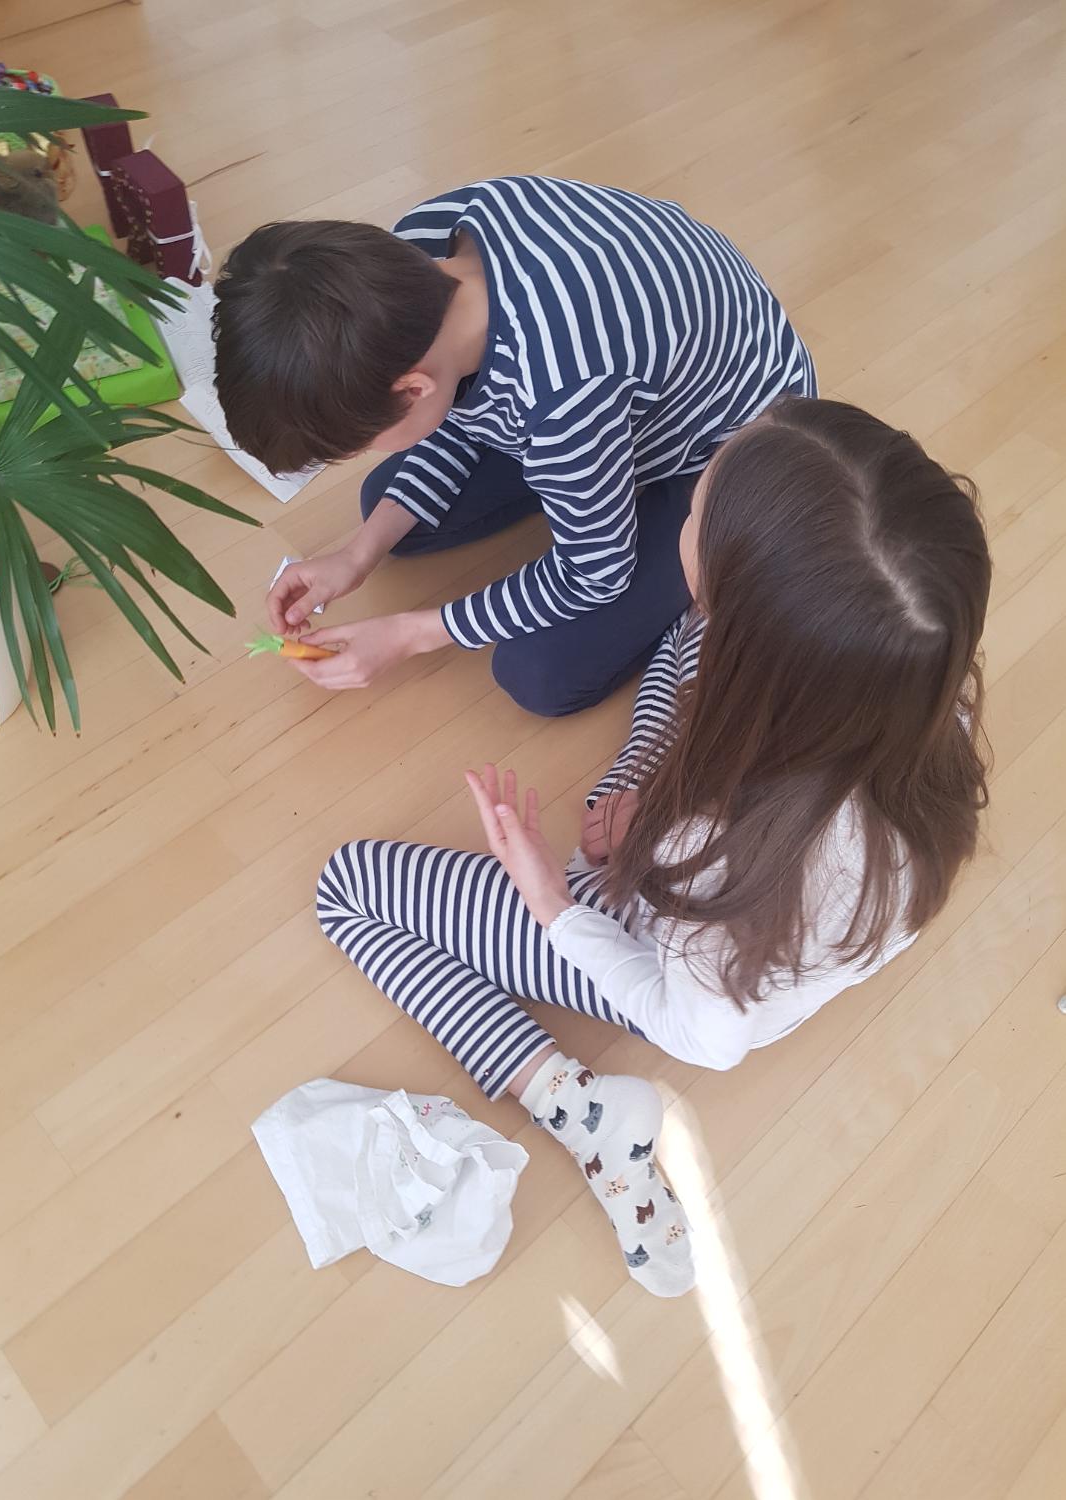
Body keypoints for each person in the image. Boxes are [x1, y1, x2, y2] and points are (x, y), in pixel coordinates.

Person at [314, 398, 992, 1297]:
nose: (689, 491)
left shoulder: (717, 867)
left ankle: (575, 1109)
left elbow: (700, 1036)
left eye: (695, 504)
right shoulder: (925, 688)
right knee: (679, 645)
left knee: (347, 888)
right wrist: (649, 812)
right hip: (730, 863)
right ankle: (641, 797)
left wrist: (555, 901)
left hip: (679, 945)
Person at [212, 175, 815, 716]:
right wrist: (357, 554)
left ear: (413, 388)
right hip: (626, 390)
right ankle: (576, 485)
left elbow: (594, 574)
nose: (369, 449)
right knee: (386, 507)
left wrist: (409, 633)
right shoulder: (421, 243)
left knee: (538, 675)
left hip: (734, 448)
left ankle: (673, 542)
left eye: (364, 441)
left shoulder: (566, 392)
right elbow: (459, 410)